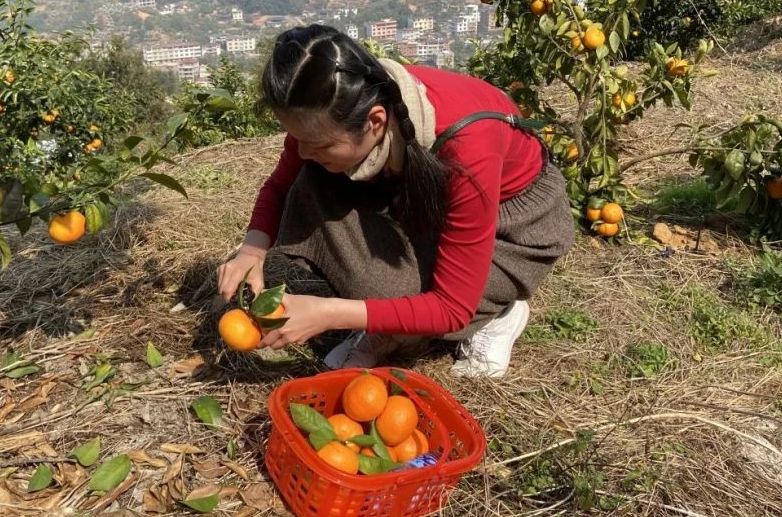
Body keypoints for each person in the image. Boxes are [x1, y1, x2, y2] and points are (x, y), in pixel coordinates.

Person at [216, 24, 574, 377]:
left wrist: (330, 313)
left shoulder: (468, 148)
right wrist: (251, 252)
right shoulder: (343, 98)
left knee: (386, 292)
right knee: (308, 182)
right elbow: (280, 186)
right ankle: (391, 319)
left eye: (321, 144)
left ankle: (498, 313)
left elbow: (451, 307)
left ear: (375, 122)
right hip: (428, 204)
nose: (302, 150)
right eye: (296, 137)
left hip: (508, 230)